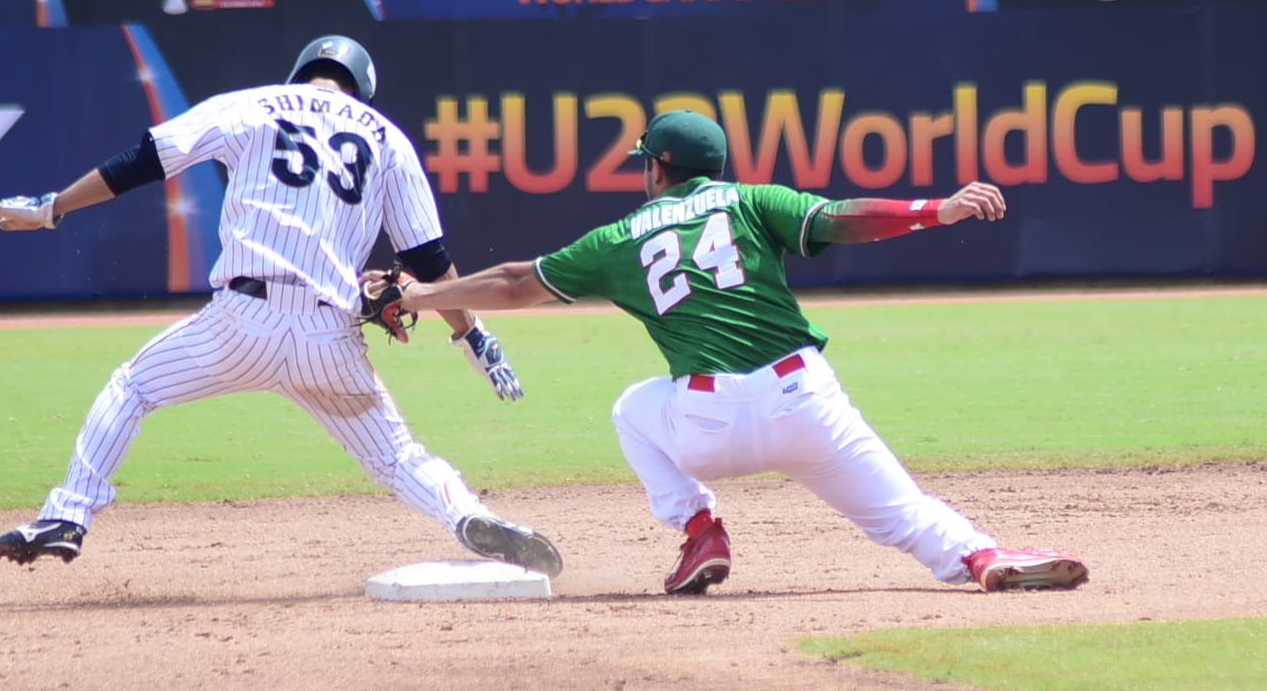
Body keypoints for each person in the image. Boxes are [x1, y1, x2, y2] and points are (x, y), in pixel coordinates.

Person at [369, 109, 1089, 594]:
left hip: (706, 424)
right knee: (905, 515)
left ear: (657, 169)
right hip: (805, 401)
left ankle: (699, 529)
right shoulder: (751, 201)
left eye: (645, 162)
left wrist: (417, 296)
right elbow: (842, 220)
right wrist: (937, 209)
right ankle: (981, 557)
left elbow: (517, 283)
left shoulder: (621, 237)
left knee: (632, 408)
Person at [0, 34, 562, 578]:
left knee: (131, 388)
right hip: (328, 338)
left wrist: (52, 207)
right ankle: (466, 513)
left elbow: (145, 159)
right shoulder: (387, 138)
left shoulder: (250, 105)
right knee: (397, 457)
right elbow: (430, 260)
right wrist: (474, 338)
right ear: (360, 86)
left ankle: (69, 513)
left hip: (242, 321)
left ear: (303, 71)